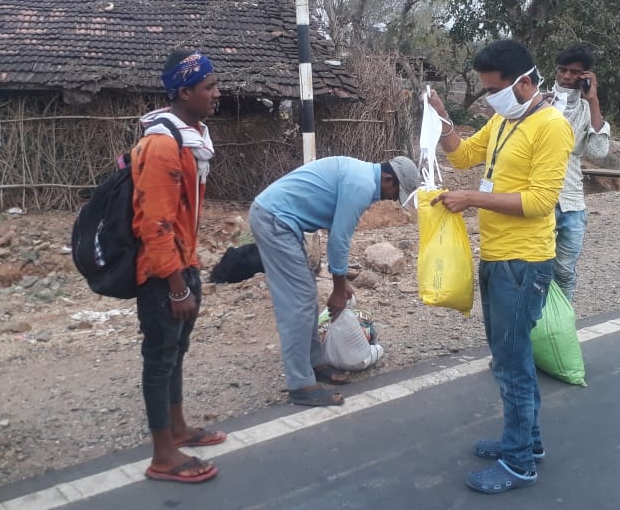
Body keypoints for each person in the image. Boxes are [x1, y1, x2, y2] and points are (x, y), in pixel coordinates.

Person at [426, 40, 573, 494]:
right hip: (496, 254)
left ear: (524, 81)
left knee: (511, 363)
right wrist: (441, 115)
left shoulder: (551, 127)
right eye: (487, 91)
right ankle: (526, 441)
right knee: (508, 356)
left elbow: (540, 201)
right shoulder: (506, 119)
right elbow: (463, 155)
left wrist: (471, 198)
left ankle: (518, 463)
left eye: (495, 88)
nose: (491, 97)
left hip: (524, 261)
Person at [249, 155, 419, 407]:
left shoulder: (360, 177)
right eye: (395, 191)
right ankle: (300, 384)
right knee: (297, 305)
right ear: (387, 179)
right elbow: (339, 238)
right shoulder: (361, 185)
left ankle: (315, 364)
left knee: (306, 298)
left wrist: (341, 283)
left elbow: (336, 231)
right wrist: (338, 287)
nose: (393, 199)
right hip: (275, 220)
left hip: (280, 220)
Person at [131, 50, 226, 484]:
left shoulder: (188, 139)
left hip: (183, 263)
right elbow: (154, 224)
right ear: (184, 92)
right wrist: (175, 285)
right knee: (159, 359)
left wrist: (187, 274)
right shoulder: (163, 145)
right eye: (208, 87)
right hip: (160, 274)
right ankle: (163, 455)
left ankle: (178, 428)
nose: (216, 93)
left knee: (175, 353)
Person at [547, 44, 610, 301]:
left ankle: (561, 324)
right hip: (540, 200)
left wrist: (593, 100)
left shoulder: (585, 110)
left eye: (574, 73)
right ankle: (537, 323)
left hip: (571, 202)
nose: (566, 77)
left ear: (585, 76)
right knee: (538, 269)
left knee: (564, 271)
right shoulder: (540, 102)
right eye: (562, 70)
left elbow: (598, 150)